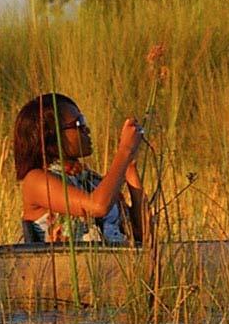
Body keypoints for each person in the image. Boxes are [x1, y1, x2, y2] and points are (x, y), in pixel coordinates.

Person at [12, 92, 147, 245]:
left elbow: (144, 236)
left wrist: (130, 168)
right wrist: (125, 150)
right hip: (66, 268)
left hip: (112, 267)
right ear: (51, 134)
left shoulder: (92, 180)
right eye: (78, 123)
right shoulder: (36, 180)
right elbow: (97, 207)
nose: (86, 129)